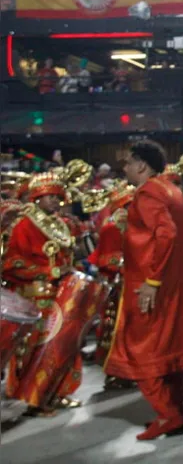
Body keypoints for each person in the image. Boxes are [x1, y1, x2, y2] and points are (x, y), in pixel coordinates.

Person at [104, 140, 183, 440]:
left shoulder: (147, 192)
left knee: (141, 350)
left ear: (142, 165)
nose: (125, 168)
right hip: (175, 287)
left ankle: (168, 415)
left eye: (129, 162)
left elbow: (166, 234)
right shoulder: (171, 189)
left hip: (151, 287)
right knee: (168, 351)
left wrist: (152, 281)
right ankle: (177, 413)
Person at [1, 170, 97, 414]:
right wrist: (51, 270)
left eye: (58, 196)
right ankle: (35, 400)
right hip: (36, 298)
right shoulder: (23, 225)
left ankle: (58, 392)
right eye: (50, 196)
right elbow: (11, 264)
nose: (56, 200)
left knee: (65, 346)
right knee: (37, 350)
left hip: (61, 296)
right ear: (36, 198)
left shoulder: (61, 224)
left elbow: (66, 259)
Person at [86, 182, 135, 389]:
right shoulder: (111, 228)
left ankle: (131, 371)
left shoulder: (138, 225)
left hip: (135, 287)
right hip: (119, 289)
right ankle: (115, 374)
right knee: (117, 331)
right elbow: (106, 260)